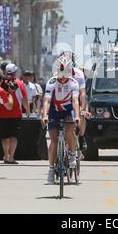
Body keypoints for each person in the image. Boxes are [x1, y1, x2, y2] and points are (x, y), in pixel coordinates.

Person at [41, 55, 81, 184]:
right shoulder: (52, 82)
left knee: (70, 130)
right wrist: (45, 115)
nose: (63, 76)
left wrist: (78, 117)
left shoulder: (73, 83)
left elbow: (75, 101)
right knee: (53, 141)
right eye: (61, 72)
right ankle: (51, 170)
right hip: (53, 111)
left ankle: (72, 154)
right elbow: (46, 100)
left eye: (66, 72)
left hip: (67, 111)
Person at [0, 63, 30, 164]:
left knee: (5, 136)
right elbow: (25, 99)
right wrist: (28, 110)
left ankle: (6, 156)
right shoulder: (19, 83)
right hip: (16, 114)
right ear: (15, 72)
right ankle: (11, 157)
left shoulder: (1, 83)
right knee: (13, 136)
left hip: (3, 113)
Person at [59, 51, 90, 151]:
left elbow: (82, 93)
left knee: (82, 115)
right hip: (63, 97)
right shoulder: (57, 73)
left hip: (76, 96)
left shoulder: (79, 74)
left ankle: (81, 137)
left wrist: (83, 109)